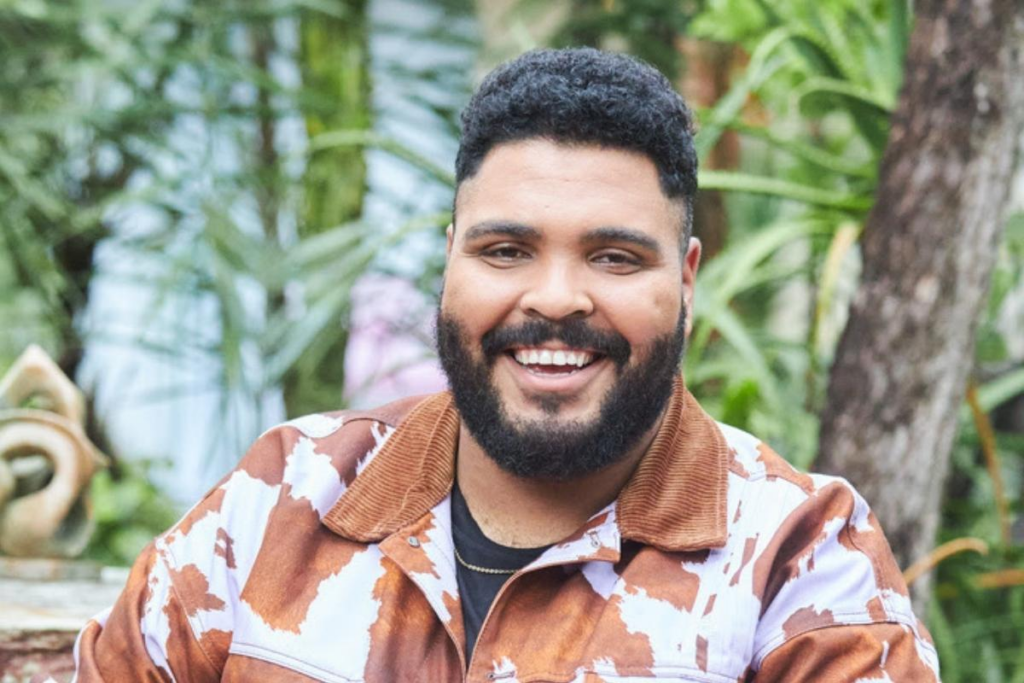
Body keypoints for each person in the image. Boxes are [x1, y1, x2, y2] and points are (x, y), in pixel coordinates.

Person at [63, 48, 940, 682]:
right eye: (506, 250)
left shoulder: (798, 560)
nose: (555, 298)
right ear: (451, 258)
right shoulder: (283, 501)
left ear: (686, 278)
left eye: (614, 258)